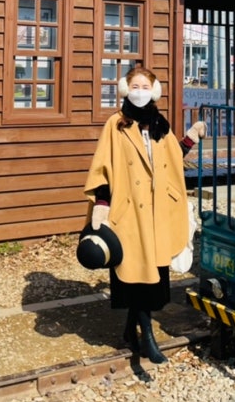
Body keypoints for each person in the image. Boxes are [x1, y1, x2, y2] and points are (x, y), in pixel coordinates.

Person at [84, 66, 206, 364]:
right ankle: (147, 337)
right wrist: (101, 202)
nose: (139, 90)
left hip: (155, 214)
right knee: (135, 277)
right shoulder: (116, 124)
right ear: (126, 90)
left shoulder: (159, 124)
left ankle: (130, 330)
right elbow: (103, 166)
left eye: (145, 85)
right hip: (127, 214)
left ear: (154, 91)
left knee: (150, 279)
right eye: (134, 85)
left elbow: (172, 158)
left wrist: (190, 137)